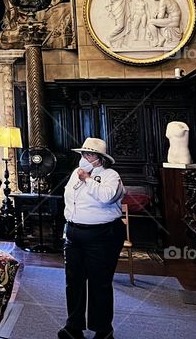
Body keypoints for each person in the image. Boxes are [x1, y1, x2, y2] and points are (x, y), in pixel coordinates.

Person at [59, 137, 127, 339]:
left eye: (88, 154)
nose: (84, 158)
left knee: (100, 283)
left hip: (102, 235)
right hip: (74, 233)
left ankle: (103, 330)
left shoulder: (110, 175)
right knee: (74, 282)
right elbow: (69, 199)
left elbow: (106, 197)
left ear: (99, 159)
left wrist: (87, 180)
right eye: (82, 154)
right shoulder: (75, 173)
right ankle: (74, 327)